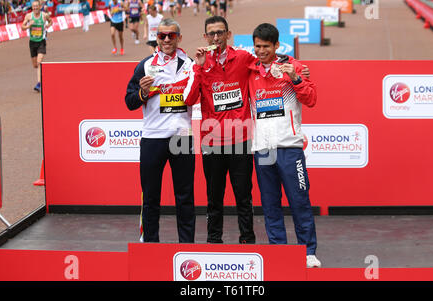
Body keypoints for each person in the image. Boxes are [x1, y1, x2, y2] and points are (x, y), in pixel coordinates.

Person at [247, 23, 321, 268]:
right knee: (270, 204)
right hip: (262, 150)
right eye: (257, 46)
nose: (261, 51)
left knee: (299, 201)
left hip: (290, 148)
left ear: (276, 45)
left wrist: (296, 78)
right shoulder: (249, 70)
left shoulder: (293, 67)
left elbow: (311, 99)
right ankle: (278, 251)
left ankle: (308, 251)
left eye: (266, 47)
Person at [184, 16, 257, 244]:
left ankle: (247, 240)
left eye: (220, 32)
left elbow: (267, 63)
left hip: (241, 139)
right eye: (211, 34)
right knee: (214, 198)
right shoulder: (201, 64)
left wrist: (296, 68)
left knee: (243, 197)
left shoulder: (244, 58)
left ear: (228, 34)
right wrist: (198, 67)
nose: (216, 37)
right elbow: (189, 99)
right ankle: (214, 240)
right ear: (205, 37)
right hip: (212, 142)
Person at [125, 18, 196, 243]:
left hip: (182, 137)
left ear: (179, 38)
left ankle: (187, 246)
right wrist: (143, 94)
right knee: (151, 197)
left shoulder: (191, 64)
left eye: (171, 36)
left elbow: (197, 96)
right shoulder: (145, 65)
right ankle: (150, 246)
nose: (167, 40)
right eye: (162, 36)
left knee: (185, 197)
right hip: (153, 138)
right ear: (157, 38)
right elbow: (129, 101)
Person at [21, 0, 52, 92]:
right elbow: (22, 27)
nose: (35, 8)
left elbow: (51, 21)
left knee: (39, 62)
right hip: (32, 42)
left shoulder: (44, 15)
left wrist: (47, 26)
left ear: (39, 7)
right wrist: (28, 26)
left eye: (36, 6)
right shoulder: (29, 16)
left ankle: (39, 83)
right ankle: (42, 76)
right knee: (35, 65)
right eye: (33, 6)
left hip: (41, 42)